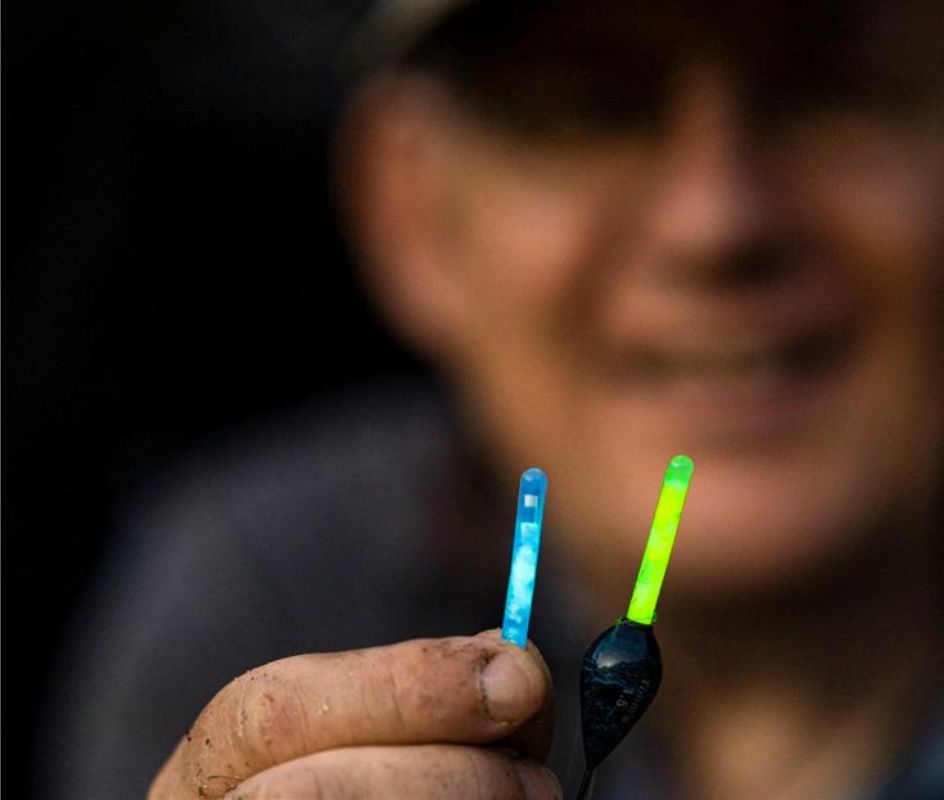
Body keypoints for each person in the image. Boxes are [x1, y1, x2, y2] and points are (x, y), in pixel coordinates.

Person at [41, 0, 944, 798]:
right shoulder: (266, 599)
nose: (715, 221)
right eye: (590, 107)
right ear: (411, 211)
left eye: (836, 88)